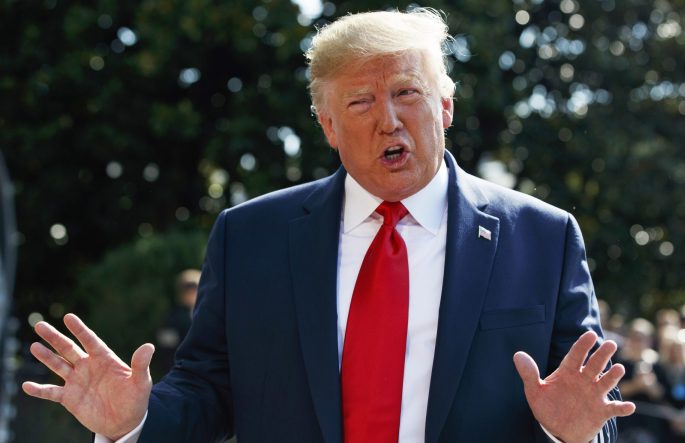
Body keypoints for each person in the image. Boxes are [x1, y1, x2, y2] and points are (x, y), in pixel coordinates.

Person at [21, 8, 634, 443]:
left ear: (445, 105)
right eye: (361, 103)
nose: (388, 120)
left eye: (407, 93)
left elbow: (585, 406)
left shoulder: (543, 238)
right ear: (329, 127)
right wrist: (136, 421)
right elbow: (209, 391)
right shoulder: (250, 236)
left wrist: (570, 434)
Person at [153, 269, 200, 376]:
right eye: (193, 289)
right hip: (180, 374)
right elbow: (166, 351)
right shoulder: (171, 320)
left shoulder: (202, 316)